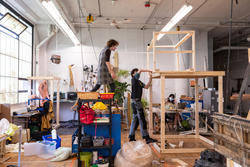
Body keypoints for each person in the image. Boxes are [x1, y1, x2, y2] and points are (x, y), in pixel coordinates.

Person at [128, 68, 157, 144]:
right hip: (136, 102)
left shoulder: (139, 82)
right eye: (136, 72)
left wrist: (150, 78)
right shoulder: (134, 79)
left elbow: (147, 86)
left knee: (135, 119)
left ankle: (131, 136)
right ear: (133, 74)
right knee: (142, 120)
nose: (138, 73)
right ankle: (146, 137)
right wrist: (149, 70)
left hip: (135, 101)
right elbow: (140, 70)